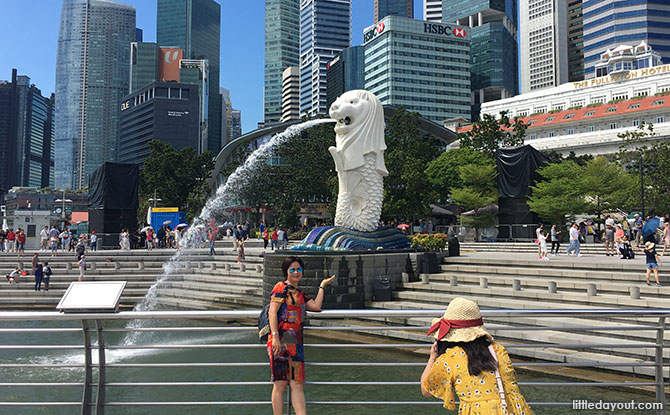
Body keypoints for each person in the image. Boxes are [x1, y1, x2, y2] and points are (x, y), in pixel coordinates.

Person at [420, 297, 533, 414]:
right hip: (517, 410)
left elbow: (426, 390)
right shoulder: (499, 350)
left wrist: (432, 358)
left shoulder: (450, 359)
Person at [267, 256, 335, 415]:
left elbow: (316, 307)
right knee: (280, 384)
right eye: (292, 269)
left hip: (296, 344)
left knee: (297, 384)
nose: (296, 272)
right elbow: (272, 312)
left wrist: (322, 286)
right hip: (280, 341)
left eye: (299, 269)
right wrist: (275, 336)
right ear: (286, 272)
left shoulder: (300, 294)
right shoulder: (280, 287)